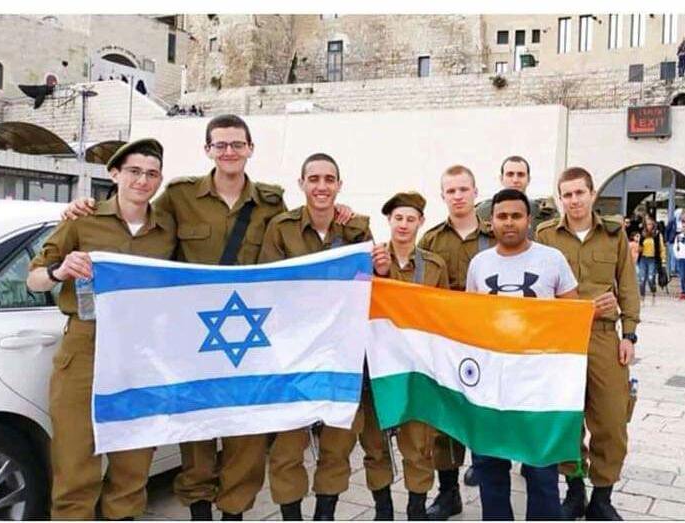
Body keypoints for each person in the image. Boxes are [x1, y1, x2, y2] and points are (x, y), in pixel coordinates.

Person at [60, 114, 354, 521]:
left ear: (250, 149)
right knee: (195, 430)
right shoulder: (180, 197)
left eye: (237, 144)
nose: (229, 152)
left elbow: (297, 241)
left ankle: (234, 511)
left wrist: (337, 212)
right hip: (191, 339)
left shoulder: (270, 202)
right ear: (208, 150)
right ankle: (199, 510)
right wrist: (88, 208)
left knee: (246, 437)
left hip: (251, 337)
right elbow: (139, 221)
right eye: (221, 145)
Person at [27, 139, 177, 519]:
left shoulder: (167, 229)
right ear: (114, 174)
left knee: (132, 469)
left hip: (142, 354)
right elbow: (34, 278)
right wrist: (60, 271)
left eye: (152, 174)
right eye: (134, 171)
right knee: (75, 467)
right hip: (86, 349)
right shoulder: (83, 219)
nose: (142, 181)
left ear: (159, 180)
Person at [257, 153, 374, 521]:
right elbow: (268, 286)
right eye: (314, 179)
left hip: (341, 352)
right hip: (293, 354)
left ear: (339, 185)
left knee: (338, 444)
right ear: (301, 184)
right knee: (287, 447)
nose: (322, 186)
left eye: (329, 179)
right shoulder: (281, 228)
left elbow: (367, 284)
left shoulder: (356, 230)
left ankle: (326, 513)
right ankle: (291, 515)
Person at [466, 188, 578, 520]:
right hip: (491, 384)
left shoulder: (552, 259)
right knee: (489, 467)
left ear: (528, 220)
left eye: (516, 216)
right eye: (502, 216)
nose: (509, 222)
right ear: (490, 222)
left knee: (541, 470)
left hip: (538, 384)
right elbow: (469, 319)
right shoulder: (479, 264)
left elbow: (572, 315)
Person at [536, 167, 640, 520]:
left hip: (603, 336)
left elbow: (628, 285)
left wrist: (629, 334)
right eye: (567, 194)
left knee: (611, 419)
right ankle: (575, 489)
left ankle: (602, 497)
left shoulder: (613, 233)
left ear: (592, 194)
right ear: (560, 198)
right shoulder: (546, 235)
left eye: (580, 192)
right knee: (567, 417)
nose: (574, 200)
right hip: (562, 336)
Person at [417, 165, 495, 520]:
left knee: (485, 414)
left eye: (464, 189)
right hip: (445, 343)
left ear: (475, 192)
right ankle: (448, 493)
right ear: (443, 196)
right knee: (444, 420)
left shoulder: (495, 237)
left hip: (487, 342)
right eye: (451, 191)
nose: (458, 196)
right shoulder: (431, 240)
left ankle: (493, 491)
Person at [372, 191, 450, 519]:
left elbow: (445, 316)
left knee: (419, 444)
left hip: (419, 368)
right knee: (375, 444)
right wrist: (381, 274)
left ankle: (416, 508)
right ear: (389, 221)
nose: (403, 225)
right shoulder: (370, 259)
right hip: (378, 368)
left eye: (410, 219)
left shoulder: (434, 265)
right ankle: (383, 509)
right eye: (398, 218)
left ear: (421, 222)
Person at [475, 155, 559, 236]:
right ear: (501, 179)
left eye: (521, 175)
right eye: (510, 174)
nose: (515, 180)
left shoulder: (544, 213)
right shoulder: (482, 212)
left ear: (528, 179)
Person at [638, 216, 667, 303]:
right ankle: (642, 297)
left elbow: (662, 248)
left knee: (651, 278)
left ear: (653, 225)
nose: (649, 226)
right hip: (643, 258)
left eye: (650, 224)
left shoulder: (657, 235)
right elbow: (639, 247)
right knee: (642, 279)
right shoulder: (643, 234)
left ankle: (653, 292)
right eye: (647, 224)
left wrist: (663, 260)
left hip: (653, 259)